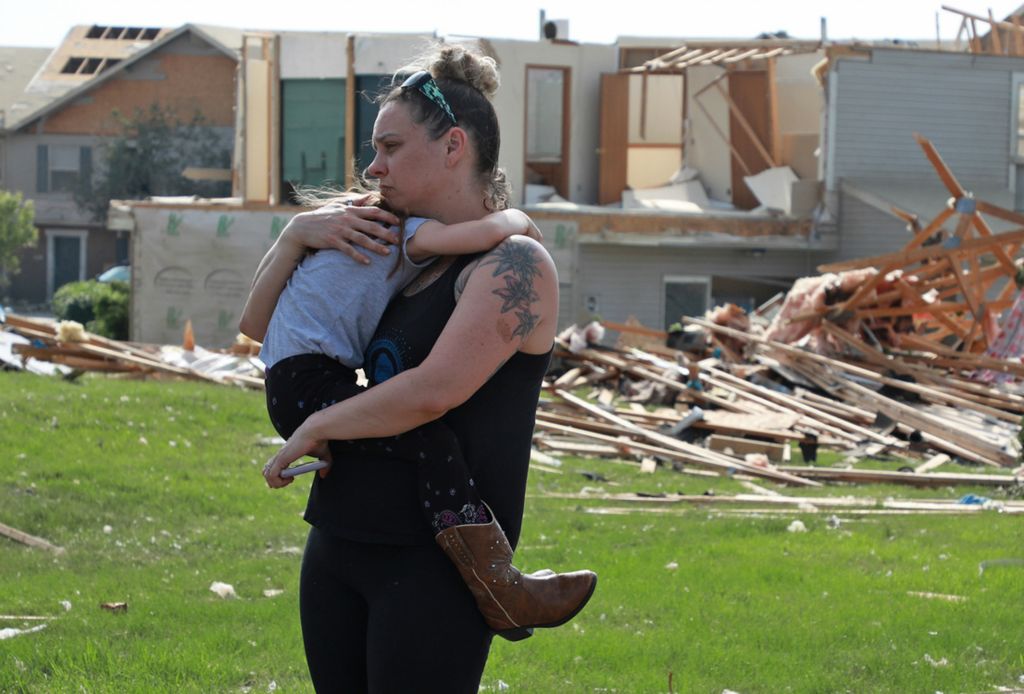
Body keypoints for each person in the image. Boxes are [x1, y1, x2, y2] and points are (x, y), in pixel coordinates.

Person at [244, 45, 596, 691]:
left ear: (453, 145)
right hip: (338, 541)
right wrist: (296, 233)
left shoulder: (513, 266)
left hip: (435, 569)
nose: (373, 167)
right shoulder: (395, 252)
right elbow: (261, 328)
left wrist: (314, 425)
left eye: (391, 147)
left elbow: (433, 392)